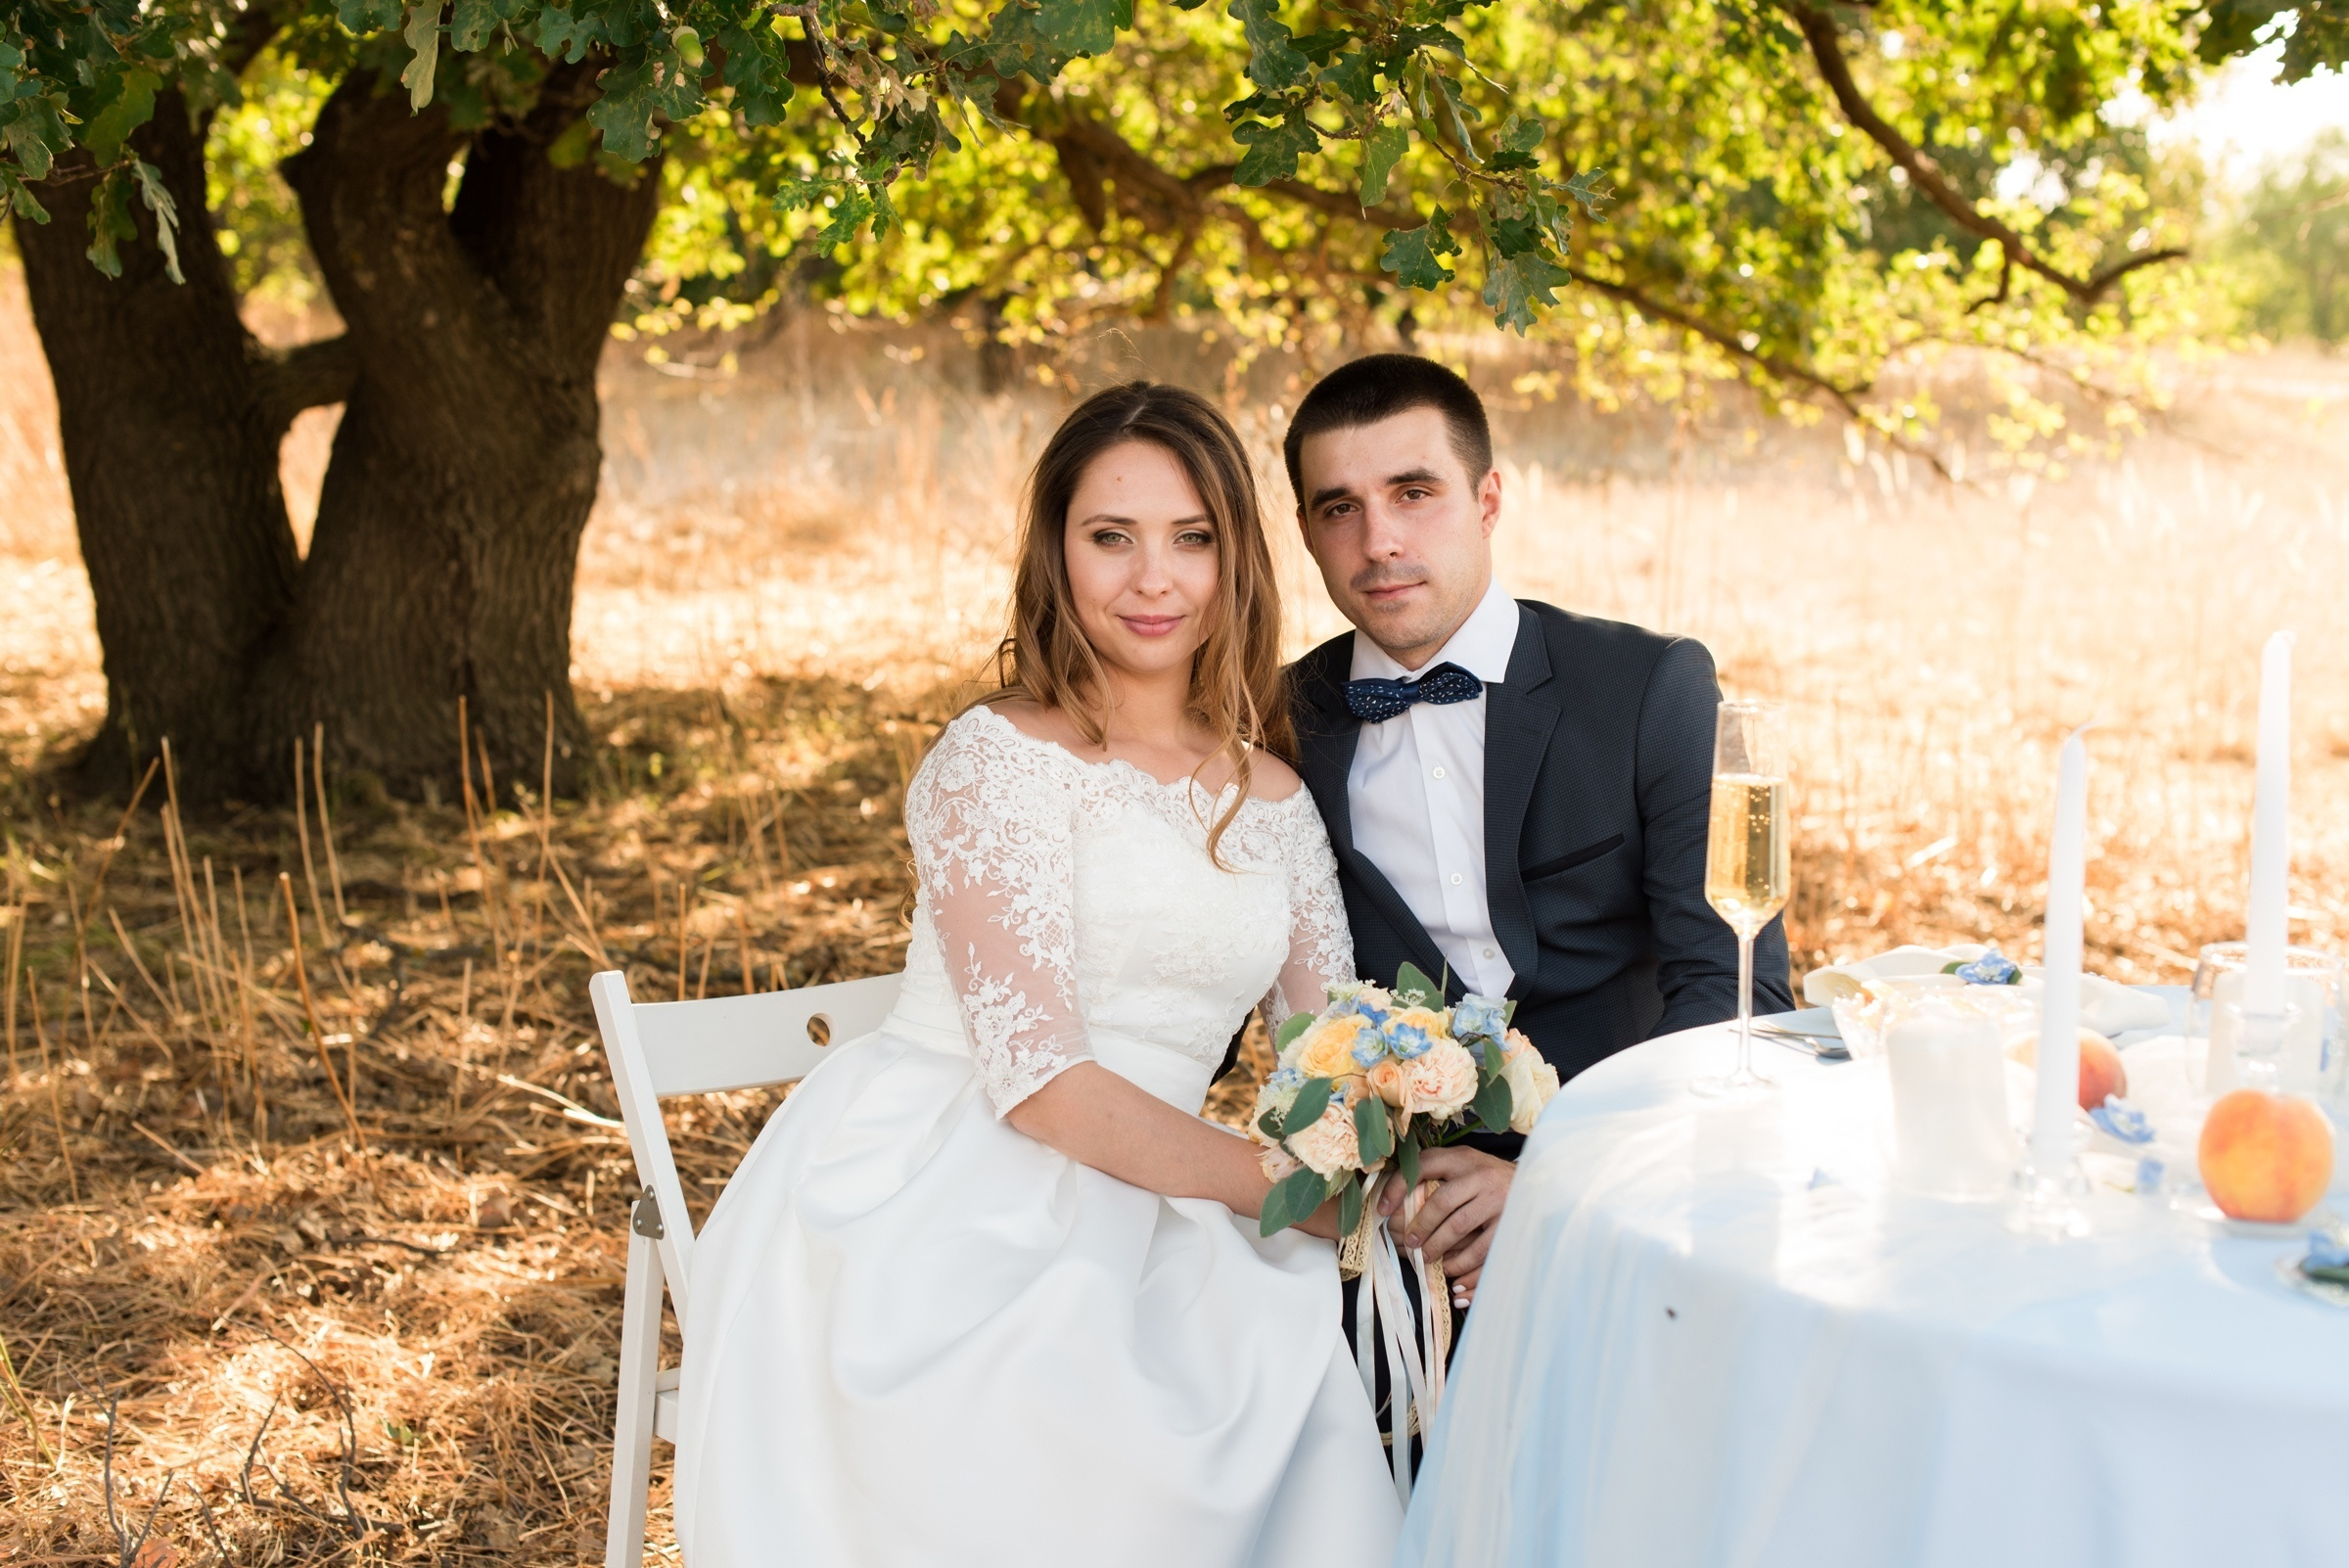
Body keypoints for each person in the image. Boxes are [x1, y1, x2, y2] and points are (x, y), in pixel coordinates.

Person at [672, 383, 1400, 1566]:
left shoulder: (1273, 798)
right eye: (1110, 537)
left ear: (1235, 558)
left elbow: (1328, 1051)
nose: (1151, 580)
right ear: (1056, 554)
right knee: (1069, 1391)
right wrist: (1284, 1193)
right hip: (954, 1178)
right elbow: (1041, 1081)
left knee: (1278, 1354)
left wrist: (1370, 1148)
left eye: (1191, 539)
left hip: (1156, 1180)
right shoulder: (999, 757)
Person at [1281, 353, 1794, 1318]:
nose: (1379, 540)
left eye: (1413, 491)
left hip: (1640, 1189)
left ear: (1487, 499)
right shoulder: (1280, 724)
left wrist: (1562, 1181)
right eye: (1338, 507)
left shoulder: (1647, 689)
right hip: (1396, 1221)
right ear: (1306, 531)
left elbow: (1737, 988)